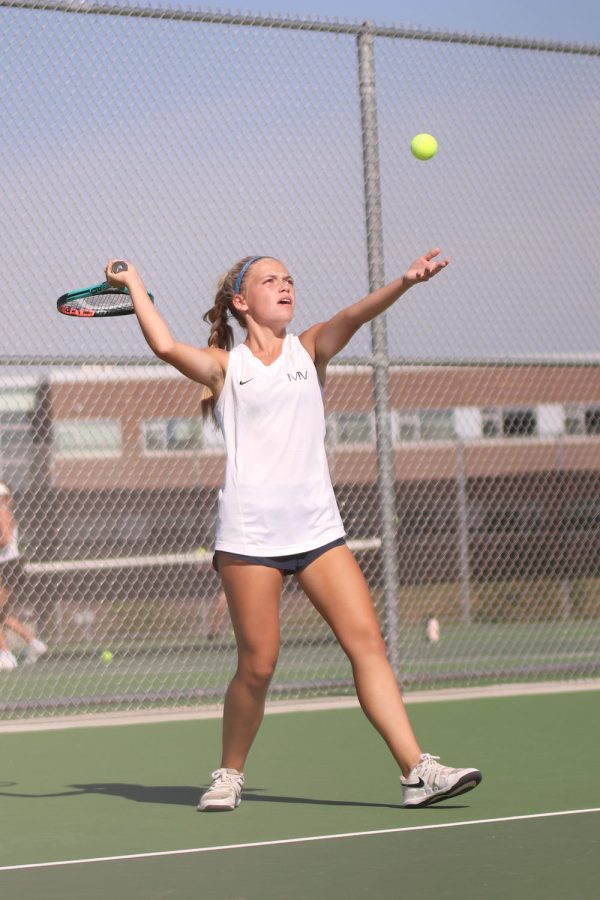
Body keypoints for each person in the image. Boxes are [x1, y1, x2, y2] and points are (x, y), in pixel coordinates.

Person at [104, 250, 482, 810]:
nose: (285, 287)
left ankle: (416, 771)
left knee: (369, 646)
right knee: (258, 666)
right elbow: (163, 346)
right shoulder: (225, 366)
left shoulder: (310, 350)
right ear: (241, 301)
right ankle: (229, 774)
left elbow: (356, 314)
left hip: (319, 534)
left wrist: (404, 281)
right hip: (249, 540)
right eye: (270, 281)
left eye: (289, 280)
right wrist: (135, 283)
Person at [0, 482, 48, 670]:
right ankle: (35, 644)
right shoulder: (5, 511)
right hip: (9, 565)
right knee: (3, 615)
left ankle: (5, 656)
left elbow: (5, 540)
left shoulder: (1, 511)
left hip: (6, 566)